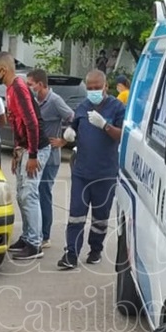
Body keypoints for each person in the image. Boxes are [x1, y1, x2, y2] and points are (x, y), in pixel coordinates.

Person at [57, 70, 126, 270]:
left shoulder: (117, 108)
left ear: (106, 87)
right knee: (76, 214)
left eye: (97, 88)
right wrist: (69, 133)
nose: (94, 91)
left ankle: (95, 249)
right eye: (90, 88)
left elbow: (121, 135)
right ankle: (71, 254)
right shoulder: (82, 106)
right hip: (81, 171)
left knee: (100, 217)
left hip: (105, 173)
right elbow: (74, 126)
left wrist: (105, 126)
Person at [0, 52, 50, 260]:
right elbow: (16, 123)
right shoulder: (10, 89)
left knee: (29, 194)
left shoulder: (18, 88)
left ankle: (35, 243)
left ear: (3, 70)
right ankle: (27, 237)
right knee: (21, 195)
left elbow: (31, 123)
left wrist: (32, 154)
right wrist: (17, 152)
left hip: (36, 148)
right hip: (25, 148)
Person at [26, 69, 74, 249]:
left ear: (40, 84)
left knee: (43, 192)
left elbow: (73, 118)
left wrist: (63, 140)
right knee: (33, 193)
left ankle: (45, 235)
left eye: (31, 84)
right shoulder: (34, 101)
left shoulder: (54, 101)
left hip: (51, 157)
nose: (29, 87)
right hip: (37, 154)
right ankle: (34, 232)